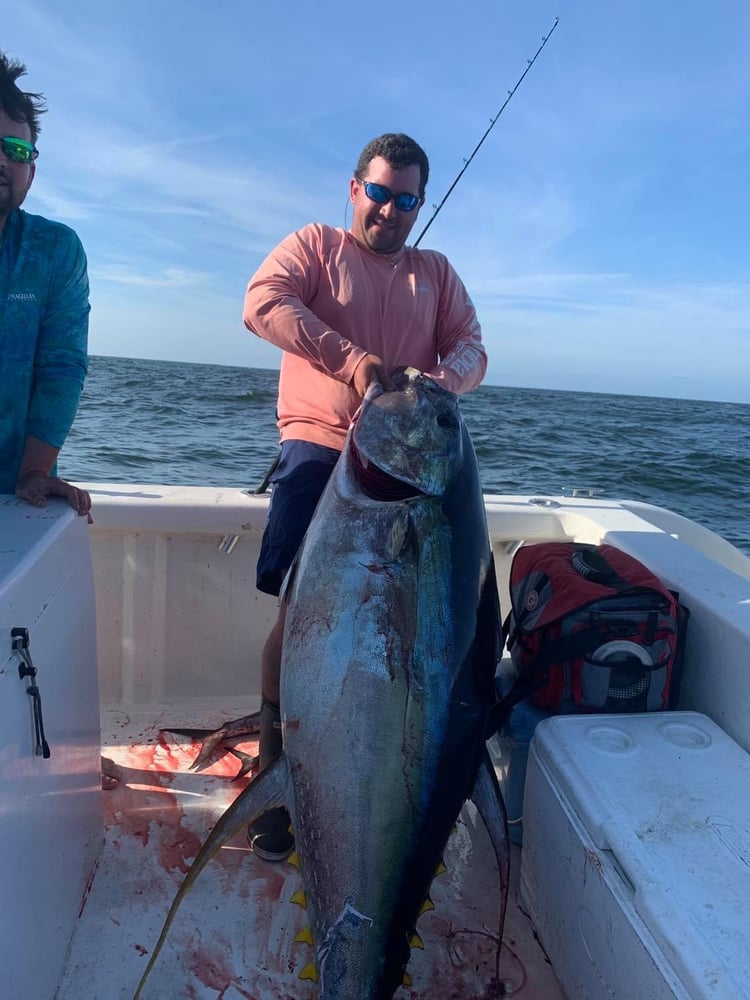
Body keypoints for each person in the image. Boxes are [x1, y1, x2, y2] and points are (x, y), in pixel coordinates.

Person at [242, 132, 487, 860]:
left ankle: (378, 766)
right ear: (355, 188)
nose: (389, 209)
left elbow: (472, 346)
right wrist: (353, 362)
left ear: (420, 205)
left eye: (406, 199)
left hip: (408, 467)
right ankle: (274, 765)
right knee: (301, 612)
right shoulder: (315, 246)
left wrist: (443, 382)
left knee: (415, 629)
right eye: (378, 192)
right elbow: (262, 303)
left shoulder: (435, 273)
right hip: (322, 448)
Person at [0, 51, 92, 521]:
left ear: (30, 172)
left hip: (15, 495)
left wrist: (34, 471)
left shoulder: (56, 250)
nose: (2, 159)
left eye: (15, 150)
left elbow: (62, 366)